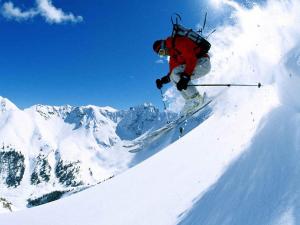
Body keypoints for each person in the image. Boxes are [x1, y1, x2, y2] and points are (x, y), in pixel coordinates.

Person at [153, 35, 211, 114]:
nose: (163, 55)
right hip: (197, 66)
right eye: (160, 55)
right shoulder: (173, 57)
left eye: (161, 52)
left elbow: (191, 58)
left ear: (164, 46)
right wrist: (162, 81)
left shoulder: (178, 42)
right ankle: (190, 101)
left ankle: (196, 98)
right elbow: (171, 75)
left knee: (175, 73)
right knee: (173, 75)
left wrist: (185, 77)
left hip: (203, 63)